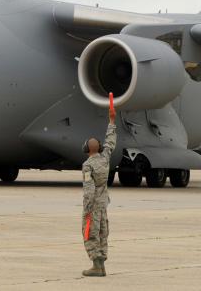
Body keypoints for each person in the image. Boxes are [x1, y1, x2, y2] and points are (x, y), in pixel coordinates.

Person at [81, 94, 117, 277]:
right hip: (103, 204)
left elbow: (88, 189)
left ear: (87, 149)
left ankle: (96, 265)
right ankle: (102, 265)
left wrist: (87, 208)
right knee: (103, 232)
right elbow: (110, 141)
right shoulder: (105, 158)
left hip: (94, 204)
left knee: (90, 232)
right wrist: (112, 120)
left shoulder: (88, 165)